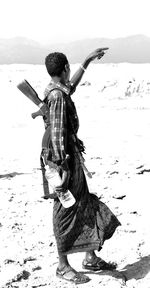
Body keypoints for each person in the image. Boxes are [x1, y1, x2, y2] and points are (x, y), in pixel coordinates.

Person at [40, 49, 121, 284]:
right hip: (63, 162)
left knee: (84, 203)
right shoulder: (57, 97)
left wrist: (87, 61)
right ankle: (62, 265)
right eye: (69, 68)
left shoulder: (56, 90)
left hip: (69, 158)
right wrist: (62, 168)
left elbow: (70, 86)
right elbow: (56, 134)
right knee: (65, 209)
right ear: (64, 68)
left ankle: (90, 256)